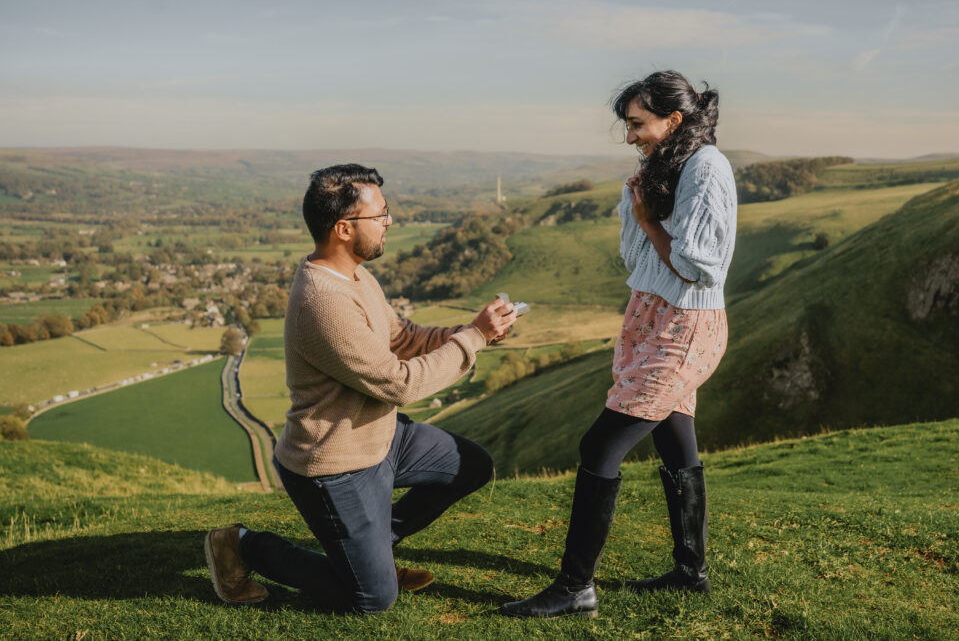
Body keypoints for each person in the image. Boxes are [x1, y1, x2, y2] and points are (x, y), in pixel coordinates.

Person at [205, 163, 517, 614]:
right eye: (381, 215)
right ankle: (241, 546)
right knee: (372, 597)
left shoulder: (355, 275)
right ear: (344, 228)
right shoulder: (323, 302)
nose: (389, 222)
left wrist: (468, 329)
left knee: (472, 465)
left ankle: (364, 548)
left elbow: (403, 338)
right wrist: (475, 339)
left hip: (384, 438)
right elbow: (399, 383)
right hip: (335, 462)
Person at [500, 71, 737, 619]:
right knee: (676, 438)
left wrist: (649, 221)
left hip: (684, 323)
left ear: (672, 120)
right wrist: (643, 218)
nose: (630, 136)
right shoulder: (663, 165)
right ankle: (690, 573)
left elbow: (700, 267)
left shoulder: (706, 167)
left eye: (637, 124)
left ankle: (575, 587)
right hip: (652, 315)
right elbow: (639, 258)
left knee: (600, 447)